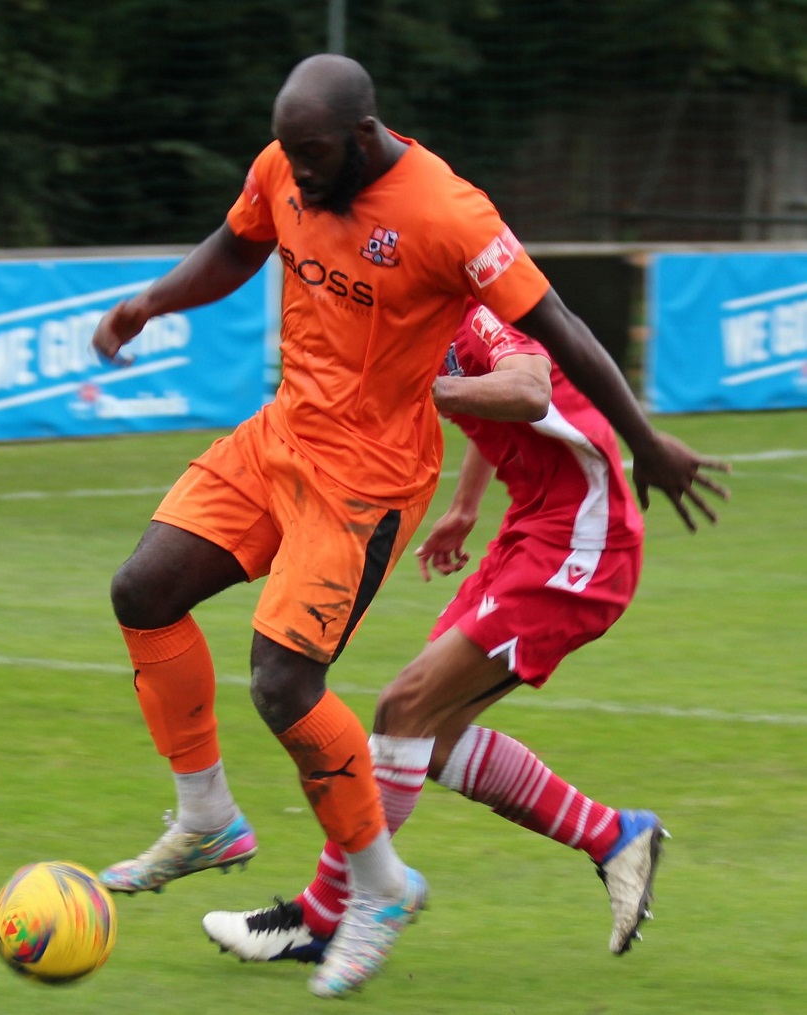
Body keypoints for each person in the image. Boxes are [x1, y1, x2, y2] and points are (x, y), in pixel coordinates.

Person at [90, 54, 729, 1000]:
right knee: (145, 592)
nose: (297, 173)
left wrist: (645, 440)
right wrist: (151, 301)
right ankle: (211, 818)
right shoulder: (285, 166)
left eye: (313, 155)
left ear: (360, 134)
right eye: (289, 154)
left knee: (319, 690)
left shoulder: (451, 222)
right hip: (288, 440)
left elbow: (547, 350)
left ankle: (357, 898)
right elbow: (236, 244)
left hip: (416, 494)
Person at [202, 298, 670, 967]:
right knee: (430, 737)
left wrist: (420, 384)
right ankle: (612, 835)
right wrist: (465, 505)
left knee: (402, 711)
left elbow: (526, 386)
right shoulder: (411, 320)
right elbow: (495, 409)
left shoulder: (469, 308)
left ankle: (324, 913)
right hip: (533, 529)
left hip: (582, 542)